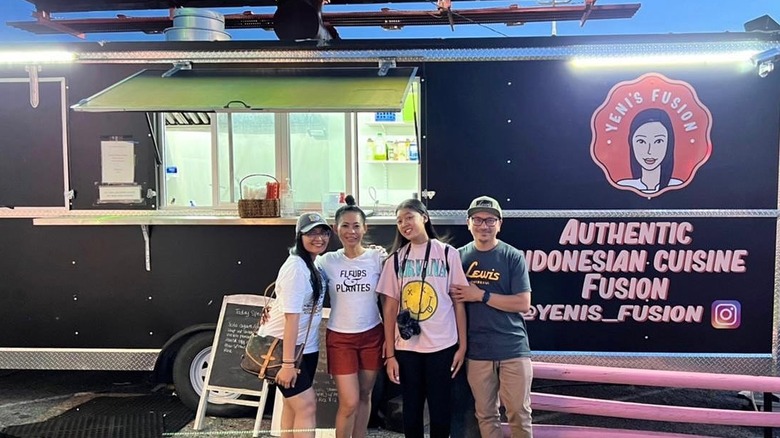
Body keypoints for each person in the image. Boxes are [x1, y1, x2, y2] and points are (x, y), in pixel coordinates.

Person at [377, 198, 469, 438]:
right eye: (399, 221)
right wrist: (390, 355)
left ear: (424, 217)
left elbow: (459, 302)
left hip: (443, 345)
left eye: (409, 217)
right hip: (407, 348)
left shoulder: (448, 254)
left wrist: (462, 346)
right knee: (412, 410)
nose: (404, 224)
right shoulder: (395, 260)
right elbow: (389, 310)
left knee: (440, 411)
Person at [450, 196, 533, 438]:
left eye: (490, 220)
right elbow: (454, 305)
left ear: (500, 223)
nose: (483, 225)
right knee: (485, 415)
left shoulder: (512, 256)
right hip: (477, 352)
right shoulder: (457, 257)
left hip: (512, 348)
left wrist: (481, 295)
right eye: (477, 219)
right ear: (468, 223)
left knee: (519, 412)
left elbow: (523, 303)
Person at [316, 195, 384, 438]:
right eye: (345, 225)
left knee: (366, 395)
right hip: (340, 338)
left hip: (372, 334)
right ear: (336, 229)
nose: (351, 231)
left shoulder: (377, 258)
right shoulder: (327, 261)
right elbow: (301, 280)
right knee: (349, 402)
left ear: (365, 228)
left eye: (356, 225)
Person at [258, 212, 330, 438]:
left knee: (292, 405)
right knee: (306, 406)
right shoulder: (296, 268)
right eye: (311, 233)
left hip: (305, 347)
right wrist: (288, 364)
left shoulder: (313, 263)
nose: (318, 238)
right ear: (299, 236)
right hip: (283, 349)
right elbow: (291, 319)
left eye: (323, 232)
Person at [617, 107, 683, 194]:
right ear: (631, 143)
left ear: (669, 143)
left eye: (658, 141)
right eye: (641, 141)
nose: (649, 151)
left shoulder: (677, 186)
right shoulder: (624, 187)